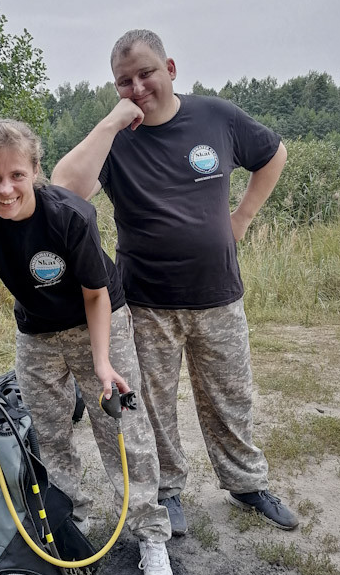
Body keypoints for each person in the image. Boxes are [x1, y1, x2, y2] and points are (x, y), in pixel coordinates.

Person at [52, 29, 299, 534]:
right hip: (146, 301)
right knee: (154, 405)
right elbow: (65, 188)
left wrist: (243, 217)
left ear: (170, 68)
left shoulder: (217, 117)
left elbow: (273, 153)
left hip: (218, 295)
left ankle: (247, 483)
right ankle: (168, 492)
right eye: (124, 81)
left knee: (231, 396)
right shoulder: (117, 140)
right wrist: (112, 123)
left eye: (145, 73)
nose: (137, 87)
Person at [0, 117, 175, 575]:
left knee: (120, 428)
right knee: (49, 431)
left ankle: (151, 535)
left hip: (99, 319)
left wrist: (102, 363)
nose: (4, 188)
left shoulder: (69, 215)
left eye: (16, 175)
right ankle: (70, 521)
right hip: (36, 331)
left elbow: (96, 295)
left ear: (35, 171)